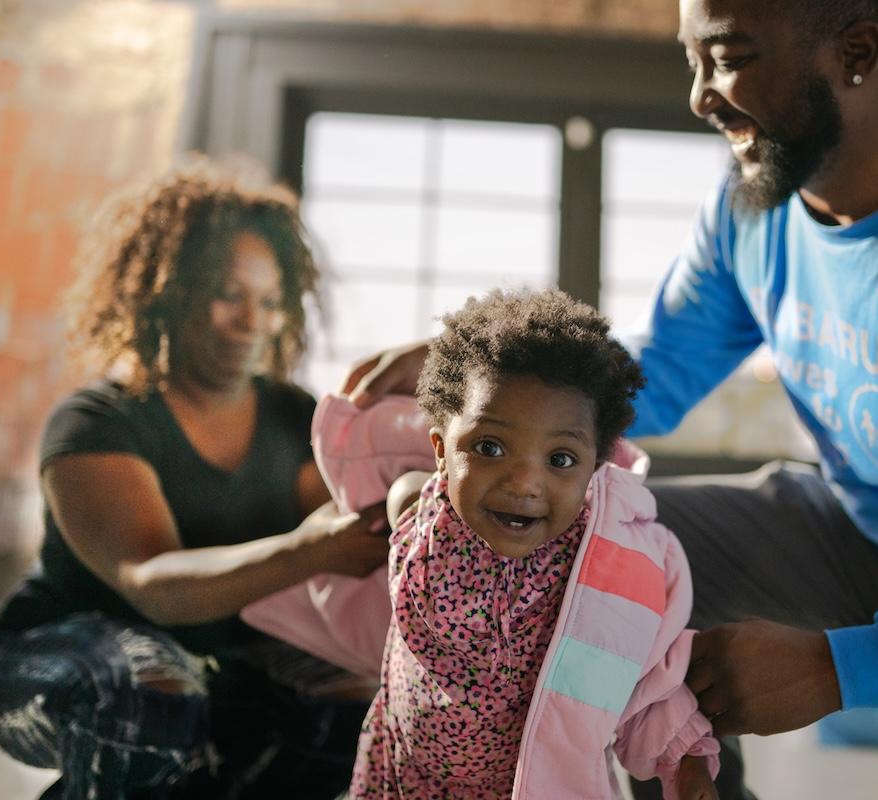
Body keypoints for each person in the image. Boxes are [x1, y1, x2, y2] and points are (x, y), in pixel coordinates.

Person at [336, 1, 878, 798]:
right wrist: (492, 376)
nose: (698, 96)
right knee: (602, 556)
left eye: (726, 56)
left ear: (855, 52)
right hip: (860, 529)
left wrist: (840, 668)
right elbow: (660, 373)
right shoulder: (757, 202)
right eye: (692, 59)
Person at [0, 160, 391, 800]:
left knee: (354, 701)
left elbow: (344, 537)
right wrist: (312, 548)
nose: (252, 320)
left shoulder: (294, 417)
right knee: (153, 692)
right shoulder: (97, 421)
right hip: (56, 656)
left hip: (229, 660)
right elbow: (154, 584)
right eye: (228, 293)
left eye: (271, 301)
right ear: (170, 289)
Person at [247, 288, 721, 799]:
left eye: (559, 459)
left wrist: (685, 762)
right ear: (440, 451)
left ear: (595, 469)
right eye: (489, 447)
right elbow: (398, 493)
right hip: (403, 780)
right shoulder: (418, 509)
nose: (522, 482)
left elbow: (645, 680)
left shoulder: (602, 574)